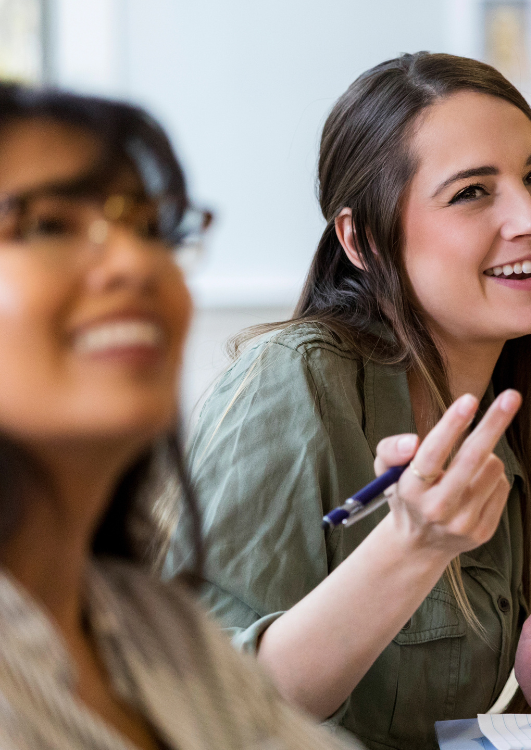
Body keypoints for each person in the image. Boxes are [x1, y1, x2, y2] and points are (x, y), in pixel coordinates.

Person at [167, 53, 531, 750]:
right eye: (472, 193)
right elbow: (203, 701)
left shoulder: (528, 418)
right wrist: (410, 550)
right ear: (363, 240)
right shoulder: (294, 383)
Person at [0, 85, 355, 748]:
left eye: (152, 229)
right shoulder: (296, 373)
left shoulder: (155, 627)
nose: (137, 263)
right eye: (48, 225)